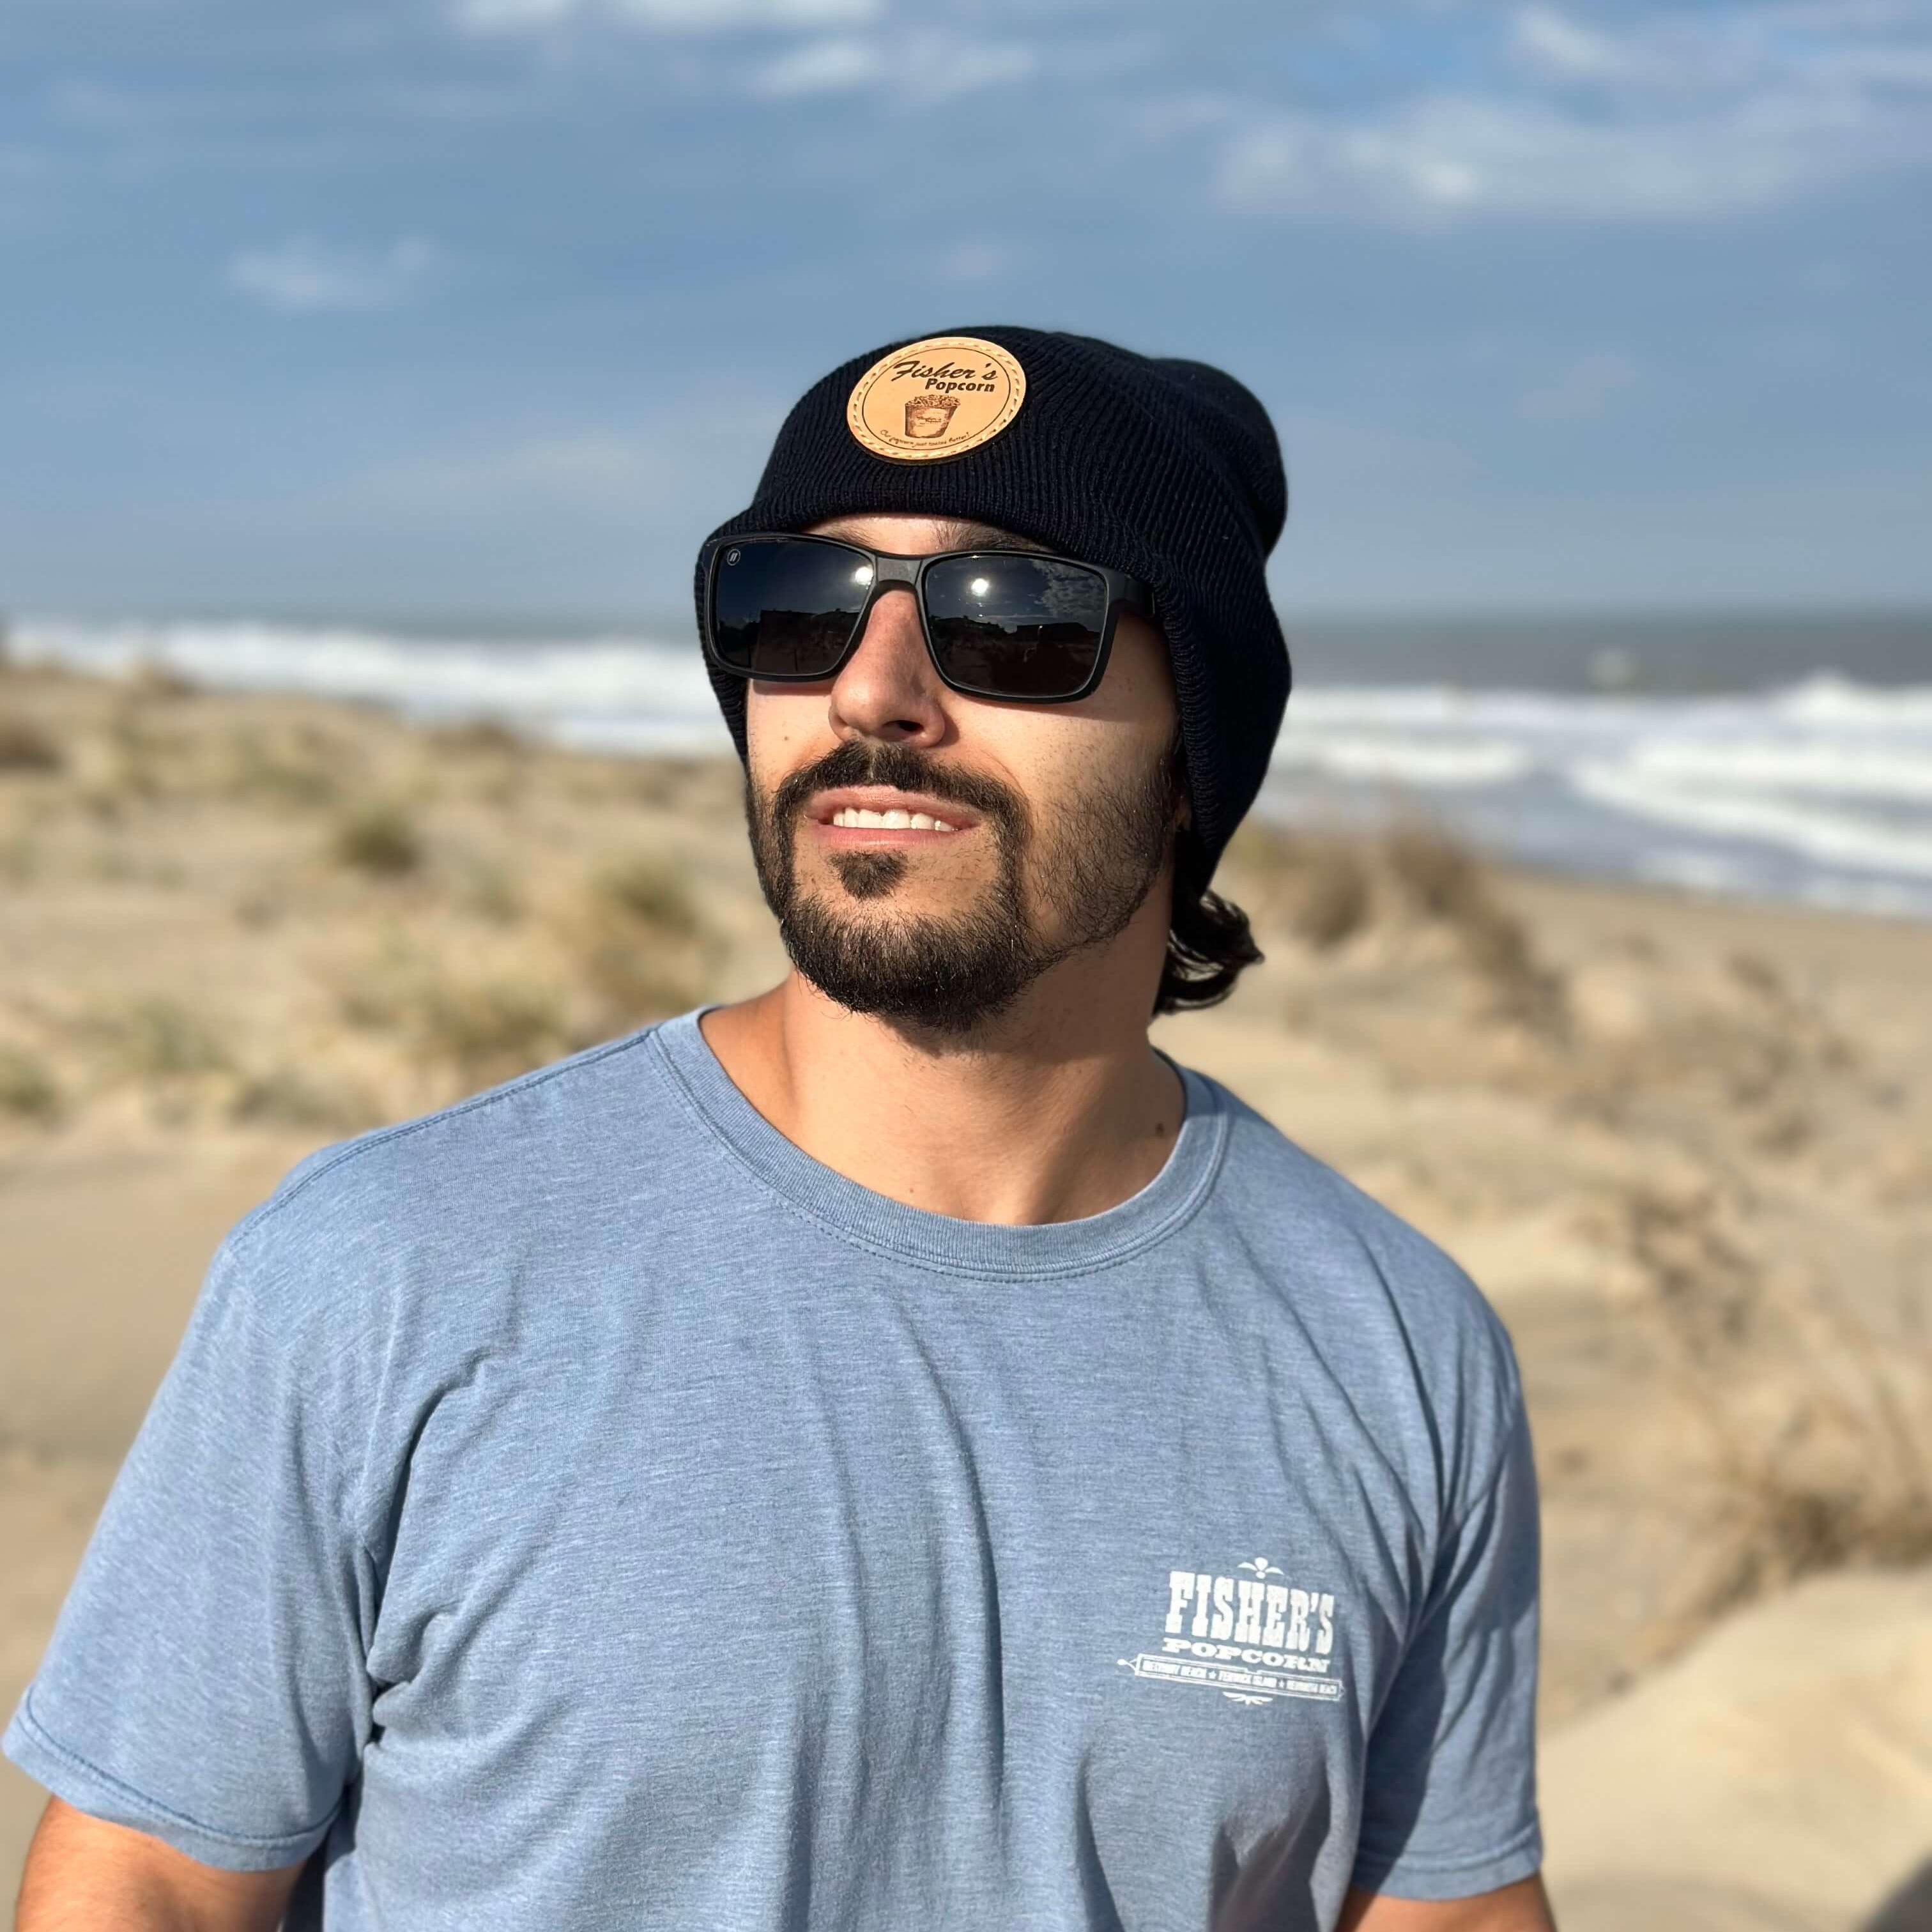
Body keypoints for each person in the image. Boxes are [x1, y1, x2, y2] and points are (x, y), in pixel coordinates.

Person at [6, 328, 1551, 1931]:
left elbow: (1441, 1911)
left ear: (1193, 753)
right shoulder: (384, 1270)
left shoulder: (1394, 1346)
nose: (874, 691)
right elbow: (151, 1880)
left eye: (1013, 620)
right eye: (796, 608)